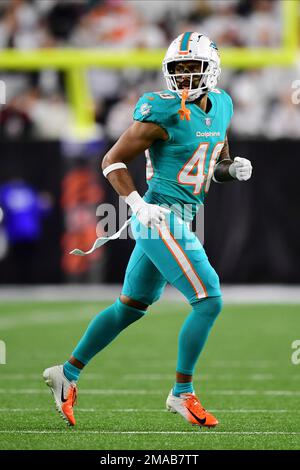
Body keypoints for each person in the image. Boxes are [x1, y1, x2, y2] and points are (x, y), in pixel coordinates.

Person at [43, 32, 252, 427]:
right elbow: (111, 160)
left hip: (183, 214)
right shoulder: (162, 110)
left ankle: (66, 373)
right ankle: (182, 392)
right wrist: (139, 205)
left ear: (213, 69)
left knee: (131, 308)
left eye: (194, 68)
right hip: (159, 216)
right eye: (179, 70)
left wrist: (232, 170)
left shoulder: (223, 104)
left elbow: (214, 166)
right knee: (208, 300)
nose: (186, 78)